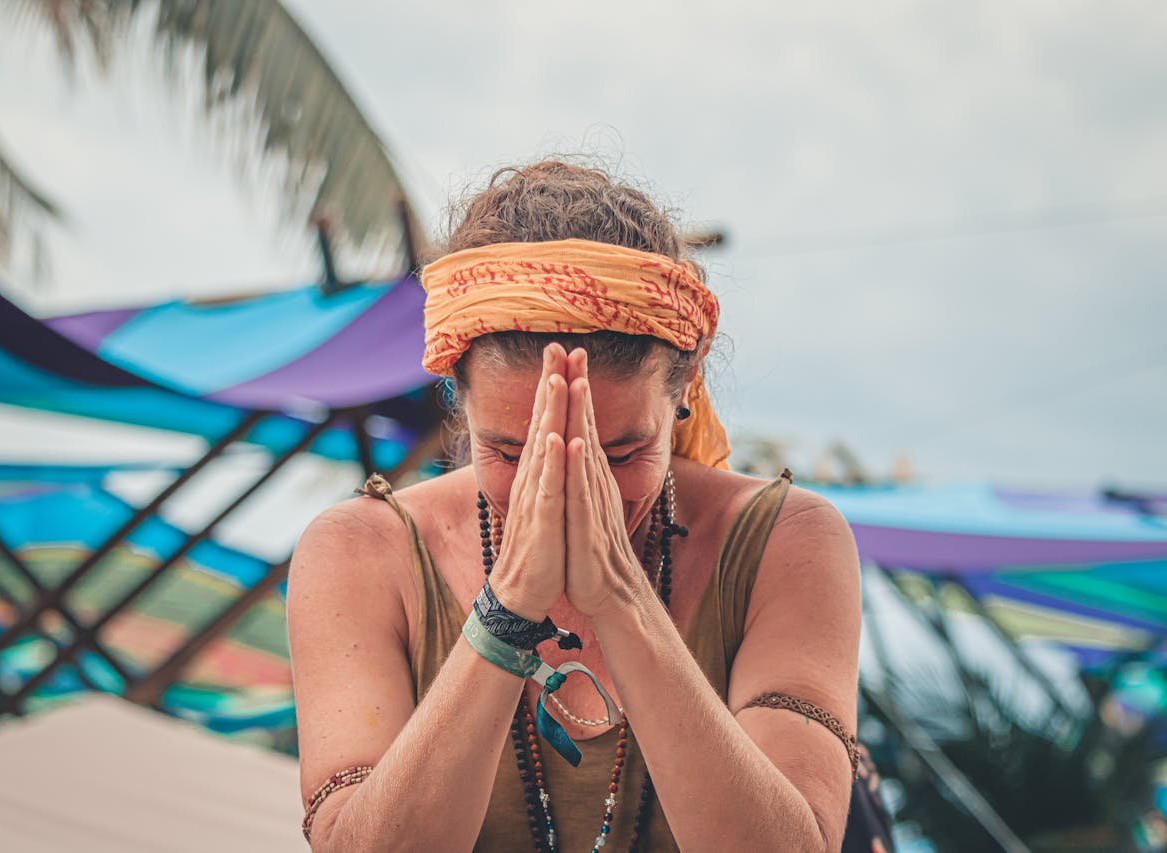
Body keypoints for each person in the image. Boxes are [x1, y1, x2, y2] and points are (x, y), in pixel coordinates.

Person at [287, 160, 863, 851]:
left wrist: (619, 597)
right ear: (457, 398)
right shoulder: (361, 552)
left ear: (686, 384)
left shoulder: (788, 542)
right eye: (511, 452)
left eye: (620, 453)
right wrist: (508, 609)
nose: (571, 490)